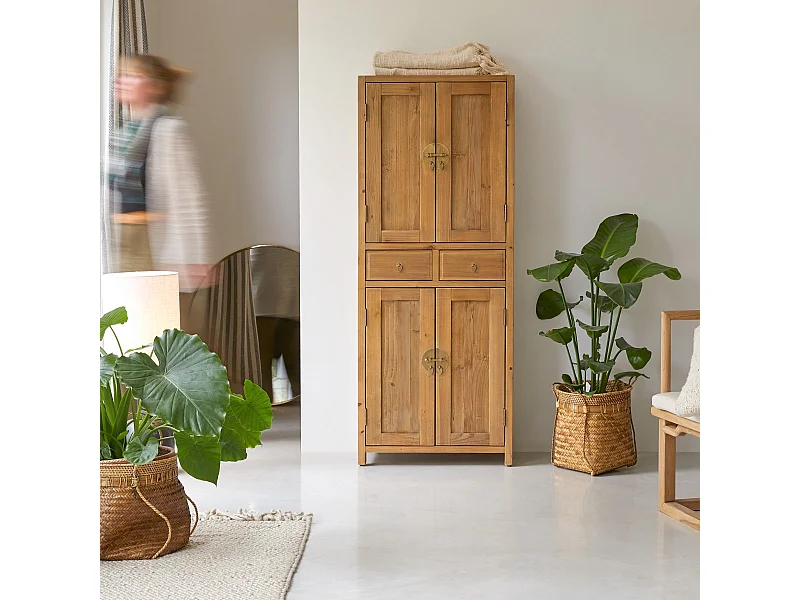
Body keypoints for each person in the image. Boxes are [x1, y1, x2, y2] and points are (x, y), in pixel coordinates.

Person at [108, 54, 212, 325]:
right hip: (127, 242)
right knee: (133, 325)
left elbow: (188, 200)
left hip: (153, 245)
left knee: (162, 326)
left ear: (155, 87)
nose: (121, 81)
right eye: (122, 74)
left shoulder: (168, 129)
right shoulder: (125, 132)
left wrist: (194, 258)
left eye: (132, 75)